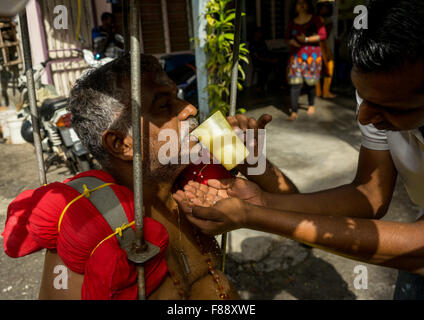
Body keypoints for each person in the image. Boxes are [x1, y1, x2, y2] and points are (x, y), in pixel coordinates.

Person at [174, 0, 424, 299]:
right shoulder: (381, 92)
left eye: (388, 108)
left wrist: (254, 212)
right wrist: (256, 178)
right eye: (164, 104)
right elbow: (370, 196)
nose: (364, 118)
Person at [2, 54, 243, 300]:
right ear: (121, 144)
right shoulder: (89, 223)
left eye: (177, 97)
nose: (190, 109)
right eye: (163, 106)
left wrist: (251, 160)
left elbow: (276, 204)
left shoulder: (194, 179)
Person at [285, 0, 327, 120]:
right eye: (299, 3)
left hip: (312, 57)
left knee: (310, 83)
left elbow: (323, 35)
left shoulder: (316, 20)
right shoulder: (292, 22)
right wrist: (291, 41)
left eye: (304, 2)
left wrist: (307, 39)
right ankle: (293, 111)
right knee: (295, 83)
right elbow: (287, 38)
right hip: (296, 56)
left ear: (308, 5)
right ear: (295, 7)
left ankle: (311, 104)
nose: (302, 5)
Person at [315, 0, 337, 99]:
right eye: (324, 6)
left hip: (323, 47)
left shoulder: (320, 19)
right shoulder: (321, 20)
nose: (326, 8)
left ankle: (320, 92)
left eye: (327, 6)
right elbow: (324, 35)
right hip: (323, 49)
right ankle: (325, 92)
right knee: (328, 68)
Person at [249, 28, 278, 96]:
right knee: (265, 68)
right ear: (255, 34)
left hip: (266, 60)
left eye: (260, 33)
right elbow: (257, 57)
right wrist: (269, 60)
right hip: (258, 62)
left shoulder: (262, 42)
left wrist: (270, 59)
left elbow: (267, 51)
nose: (260, 34)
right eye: (258, 33)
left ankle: (276, 84)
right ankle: (260, 87)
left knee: (277, 64)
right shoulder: (252, 44)